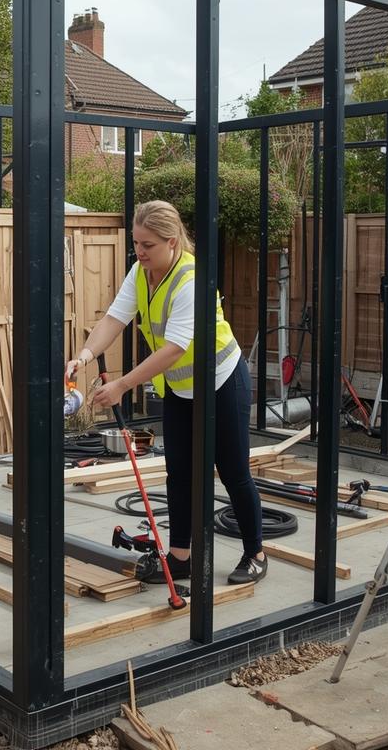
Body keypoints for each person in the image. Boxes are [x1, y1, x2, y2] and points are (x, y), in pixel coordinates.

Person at [66, 200, 267, 585]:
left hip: (223, 381)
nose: (139, 251)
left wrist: (122, 385)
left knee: (233, 471)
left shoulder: (192, 281)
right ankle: (181, 557)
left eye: (148, 245)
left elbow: (174, 347)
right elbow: (114, 317)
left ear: (172, 242)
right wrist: (84, 356)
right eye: (136, 244)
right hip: (181, 387)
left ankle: (255, 552)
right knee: (179, 472)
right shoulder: (141, 273)